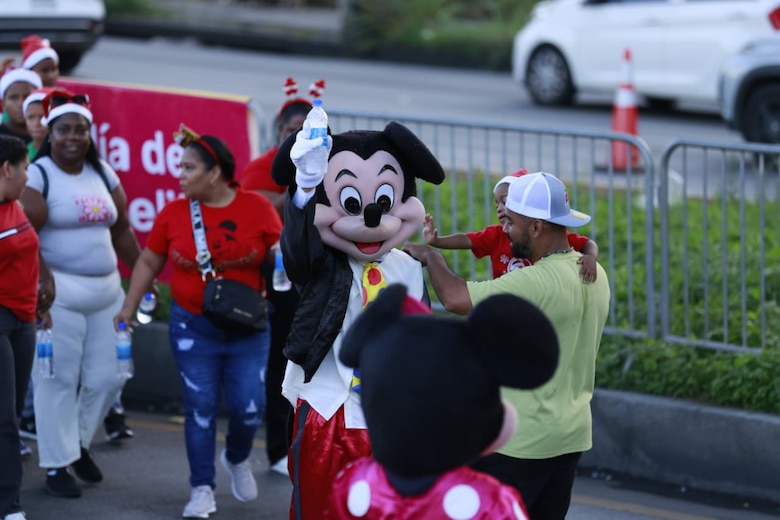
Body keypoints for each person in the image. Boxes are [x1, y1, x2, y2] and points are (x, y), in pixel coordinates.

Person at [403, 171, 611, 520]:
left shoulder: (536, 281)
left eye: (511, 223)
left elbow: (455, 298)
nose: (506, 231)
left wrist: (432, 257)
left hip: (521, 442)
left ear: (536, 227)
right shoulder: (596, 274)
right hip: (569, 437)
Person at [114, 125, 281, 519]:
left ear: (215, 172)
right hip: (193, 327)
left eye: (189, 168)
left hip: (248, 329)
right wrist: (128, 307)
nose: (181, 175)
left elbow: (280, 256)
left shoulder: (257, 208)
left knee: (249, 408)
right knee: (200, 407)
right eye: (181, 167)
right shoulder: (174, 213)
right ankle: (202, 488)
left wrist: (285, 260)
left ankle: (237, 457)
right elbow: (149, 260)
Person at [20, 89, 145, 499]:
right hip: (59, 294)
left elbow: (121, 229)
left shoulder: (103, 173)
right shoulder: (38, 176)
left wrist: (143, 276)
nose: (73, 136)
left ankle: (76, 445)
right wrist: (41, 281)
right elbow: (25, 237)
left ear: (90, 134)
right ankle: (57, 464)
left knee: (110, 377)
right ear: (50, 134)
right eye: (64, 130)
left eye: (81, 129)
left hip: (107, 291)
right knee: (57, 379)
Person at [240, 76, 321, 477]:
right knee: (281, 364)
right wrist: (297, 188)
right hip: (278, 278)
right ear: (279, 133)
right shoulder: (262, 168)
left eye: (305, 129)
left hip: (319, 274)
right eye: (291, 130)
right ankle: (278, 449)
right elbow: (251, 210)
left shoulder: (330, 164)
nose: (297, 136)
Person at [424, 168, 599, 283]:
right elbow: (467, 239)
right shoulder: (496, 234)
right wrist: (437, 241)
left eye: (506, 201)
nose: (500, 208)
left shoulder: (552, 237)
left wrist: (591, 257)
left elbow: (586, 243)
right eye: (497, 203)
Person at [0, 134, 51, 520]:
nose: (28, 176)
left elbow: (29, 253)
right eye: (24, 169)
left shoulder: (15, 205)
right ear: (7, 169)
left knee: (12, 413)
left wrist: (41, 293)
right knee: (4, 419)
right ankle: (9, 505)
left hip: (24, 320)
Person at [0, 68, 42, 143]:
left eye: (27, 97)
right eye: (13, 98)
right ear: (3, 104)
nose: (21, 104)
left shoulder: (50, 135)